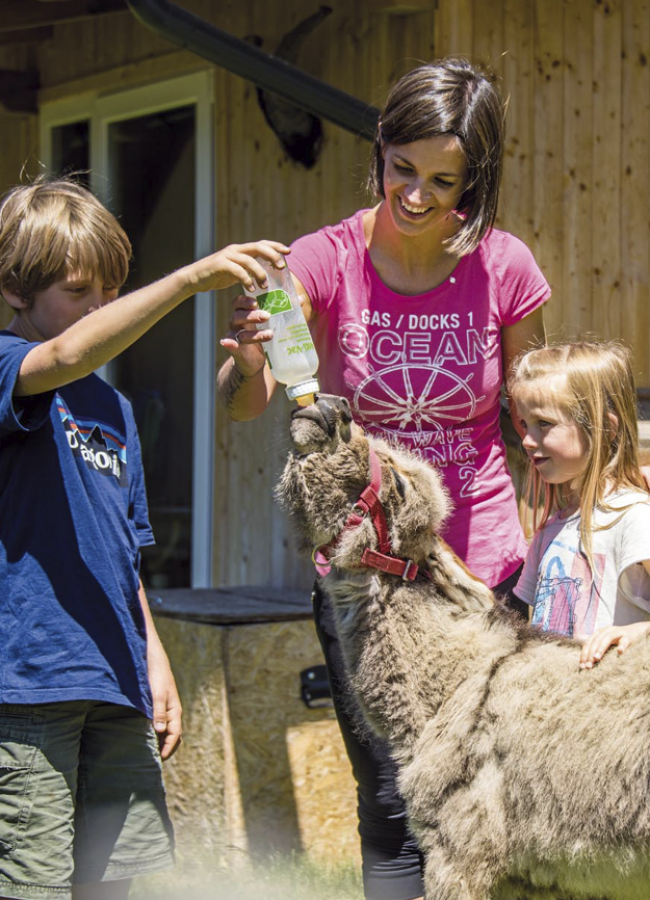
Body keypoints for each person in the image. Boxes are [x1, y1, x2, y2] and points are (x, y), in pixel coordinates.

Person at [217, 58, 549, 900]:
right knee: (395, 803)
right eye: (404, 169)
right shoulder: (324, 259)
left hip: (487, 573)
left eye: (444, 180)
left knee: (494, 802)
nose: (417, 195)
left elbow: (537, 414)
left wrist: (569, 527)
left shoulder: (504, 266)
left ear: (475, 178)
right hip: (367, 579)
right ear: (381, 149)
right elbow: (247, 405)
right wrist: (248, 356)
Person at [0, 178, 289, 900]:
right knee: (32, 882)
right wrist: (190, 278)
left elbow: (123, 553)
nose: (102, 309)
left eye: (111, 291)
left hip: (114, 679)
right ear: (14, 289)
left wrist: (154, 661)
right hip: (28, 684)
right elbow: (61, 355)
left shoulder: (114, 407)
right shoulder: (11, 368)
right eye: (80, 291)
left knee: (119, 878)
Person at [510, 340, 650, 667]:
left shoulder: (632, 517)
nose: (528, 440)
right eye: (524, 425)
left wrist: (642, 632)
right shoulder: (551, 527)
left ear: (605, 428)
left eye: (544, 423)